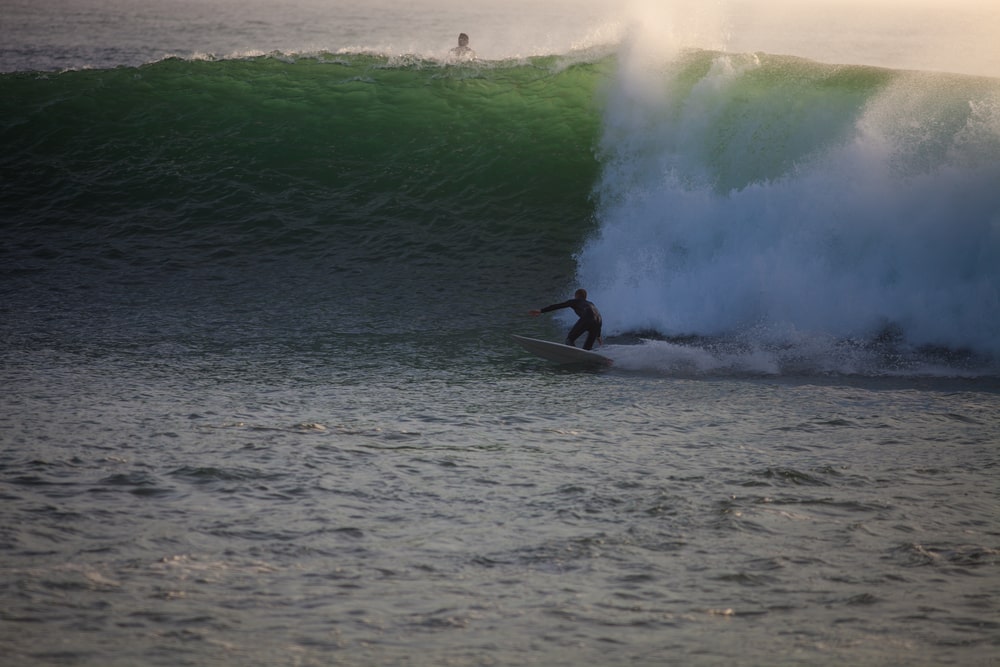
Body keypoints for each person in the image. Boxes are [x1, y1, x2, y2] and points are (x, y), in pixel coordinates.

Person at [529, 289, 603, 350]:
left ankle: (575, 354)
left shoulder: (575, 301)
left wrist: (541, 310)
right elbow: (596, 316)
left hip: (587, 318)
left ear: (576, 295)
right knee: (587, 349)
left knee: (569, 340)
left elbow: (558, 306)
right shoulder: (591, 304)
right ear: (585, 297)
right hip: (598, 322)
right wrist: (598, 335)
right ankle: (592, 359)